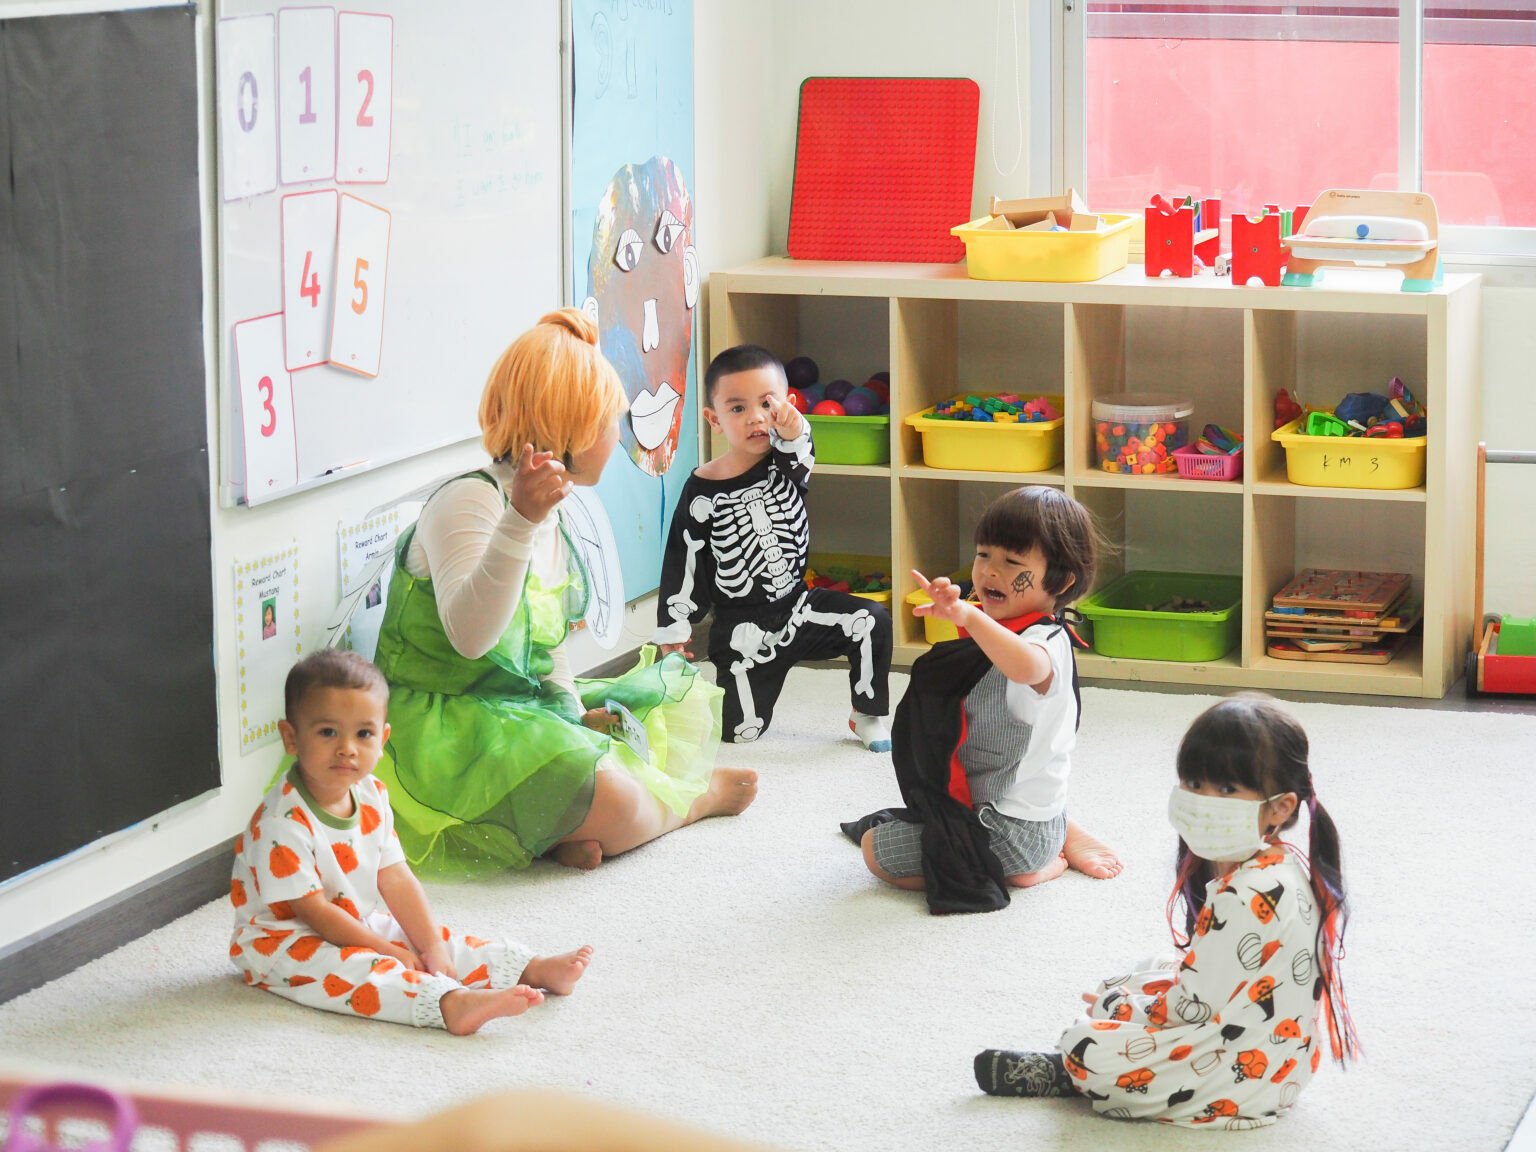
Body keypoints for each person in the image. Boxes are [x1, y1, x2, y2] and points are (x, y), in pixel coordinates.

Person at [372, 308, 757, 874]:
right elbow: (473, 640)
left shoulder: (550, 507)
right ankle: (687, 804)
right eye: (609, 425)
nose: (616, 439)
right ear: (570, 429)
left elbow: (545, 643)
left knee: (655, 710)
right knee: (617, 791)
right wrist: (520, 524)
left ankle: (555, 832)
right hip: (443, 725)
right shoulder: (471, 503)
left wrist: (573, 715)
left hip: (515, 705)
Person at [974, 694, 1361, 1129]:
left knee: (1084, 1044)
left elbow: (1192, 1007)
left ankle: (1073, 1076)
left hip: (1243, 1079)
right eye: (1194, 784)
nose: (1202, 799)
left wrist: (1119, 1008)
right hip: (1282, 1061)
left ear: (1280, 807)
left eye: (1227, 789)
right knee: (1155, 966)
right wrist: (1132, 998)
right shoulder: (1282, 863)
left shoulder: (1244, 895)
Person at [230, 649, 594, 1034]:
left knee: (432, 940)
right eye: (327, 732)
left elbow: (397, 878)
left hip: (355, 918)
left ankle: (531, 968)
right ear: (291, 737)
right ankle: (451, 1004)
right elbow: (315, 912)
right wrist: (382, 949)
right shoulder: (281, 824)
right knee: (363, 972)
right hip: (282, 942)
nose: (347, 748)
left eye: (363, 734)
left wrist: (430, 946)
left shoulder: (371, 793)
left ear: (383, 737)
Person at [840, 486, 1120, 914]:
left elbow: (1027, 668)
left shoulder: (1045, 644)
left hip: (1008, 828)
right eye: (983, 554)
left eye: (1012, 562)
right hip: (1022, 808)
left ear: (1060, 581)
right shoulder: (1004, 628)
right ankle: (1062, 829)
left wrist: (967, 615)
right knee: (905, 820)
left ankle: (1033, 866)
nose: (990, 572)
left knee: (877, 851)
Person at [654, 345, 893, 749]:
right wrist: (675, 629)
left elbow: (800, 446)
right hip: (742, 630)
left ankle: (866, 713)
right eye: (737, 409)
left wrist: (796, 428)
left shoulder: (787, 466)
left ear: (787, 406)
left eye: (767, 404)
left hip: (801, 607)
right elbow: (684, 558)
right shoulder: (701, 493)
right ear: (714, 420)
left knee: (871, 620)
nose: (756, 418)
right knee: (740, 733)